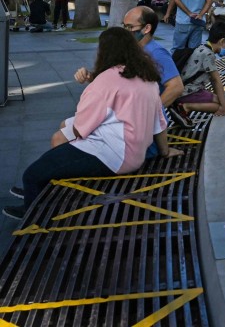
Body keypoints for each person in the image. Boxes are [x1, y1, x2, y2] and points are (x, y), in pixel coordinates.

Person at [3, 28, 182, 218]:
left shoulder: (106, 79)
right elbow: (158, 123)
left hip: (113, 155)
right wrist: (165, 151)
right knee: (60, 139)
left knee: (31, 174)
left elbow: (81, 128)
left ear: (104, 51)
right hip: (134, 153)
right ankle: (40, 188)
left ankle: (31, 213)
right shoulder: (148, 78)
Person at [175, 22, 225, 117]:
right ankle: (186, 106)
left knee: (219, 100)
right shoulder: (208, 54)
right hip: (188, 92)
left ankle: (185, 105)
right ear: (222, 41)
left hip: (185, 90)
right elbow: (216, 81)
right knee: (218, 106)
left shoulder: (203, 47)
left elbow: (213, 80)